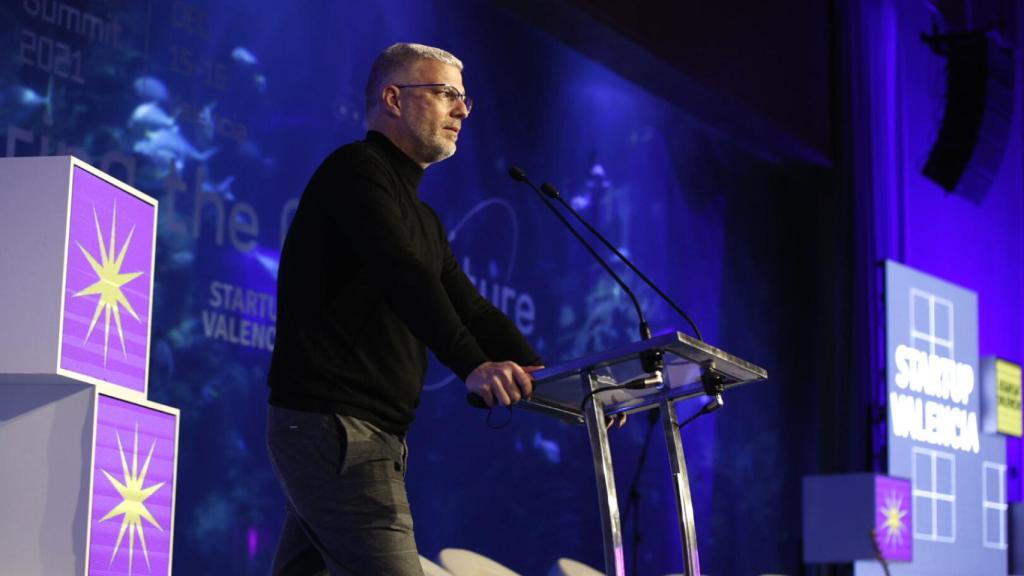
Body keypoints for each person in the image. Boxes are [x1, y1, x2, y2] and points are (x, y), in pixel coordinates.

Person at [265, 42, 542, 575]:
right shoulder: (356, 171)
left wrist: (562, 384)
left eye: (464, 99)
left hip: (359, 435)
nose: (462, 110)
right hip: (337, 427)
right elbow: (401, 271)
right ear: (393, 98)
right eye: (445, 95)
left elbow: (475, 311)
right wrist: (473, 365)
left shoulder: (427, 221)